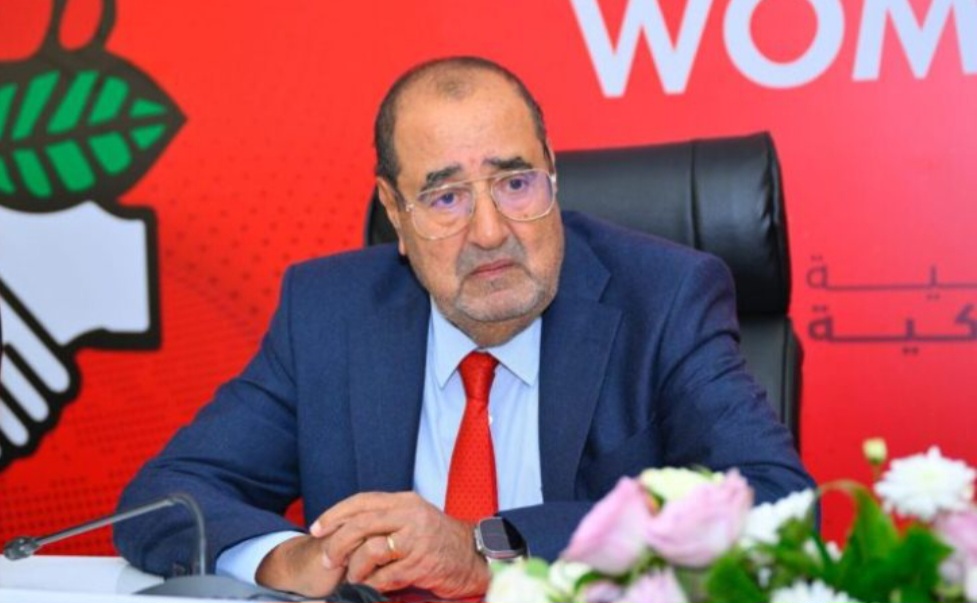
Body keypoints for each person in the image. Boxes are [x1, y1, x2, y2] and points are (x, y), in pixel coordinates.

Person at [114, 56, 814, 599]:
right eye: (445, 197)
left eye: (515, 184)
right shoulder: (329, 313)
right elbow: (164, 497)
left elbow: (779, 503)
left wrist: (487, 548)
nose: (489, 232)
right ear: (395, 212)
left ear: (552, 176)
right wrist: (289, 556)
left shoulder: (663, 297)